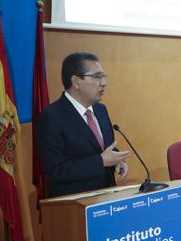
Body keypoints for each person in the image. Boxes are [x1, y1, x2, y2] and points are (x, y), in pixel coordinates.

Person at [35, 52, 130, 198]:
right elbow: (56, 171)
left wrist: (117, 160)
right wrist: (101, 161)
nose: (103, 82)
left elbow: (103, 148)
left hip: (107, 199)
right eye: (97, 77)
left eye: (104, 76)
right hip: (74, 206)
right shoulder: (51, 117)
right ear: (76, 81)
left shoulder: (100, 110)